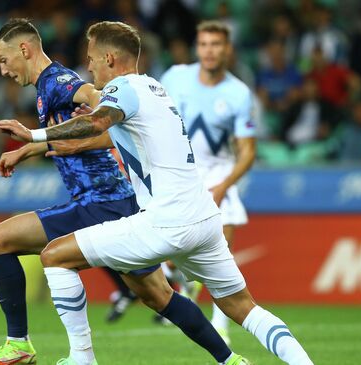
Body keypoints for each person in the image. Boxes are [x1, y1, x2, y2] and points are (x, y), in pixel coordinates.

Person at [0, 21, 314, 365]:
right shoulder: (154, 88)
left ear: (110, 58)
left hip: (167, 221)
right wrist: (52, 146)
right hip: (204, 218)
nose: (88, 67)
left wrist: (34, 135)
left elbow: (98, 122)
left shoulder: (123, 89)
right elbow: (111, 134)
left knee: (55, 255)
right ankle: (250, 362)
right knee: (244, 308)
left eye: (92, 59)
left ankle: (81, 359)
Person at [159, 21, 257, 343]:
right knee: (171, 258)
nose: (210, 50)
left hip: (218, 175)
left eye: (216, 44)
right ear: (196, 48)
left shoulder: (238, 93)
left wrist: (224, 186)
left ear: (227, 49)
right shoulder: (175, 78)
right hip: (179, 175)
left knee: (222, 253)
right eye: (204, 44)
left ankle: (220, 325)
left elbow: (247, 151)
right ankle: (182, 279)